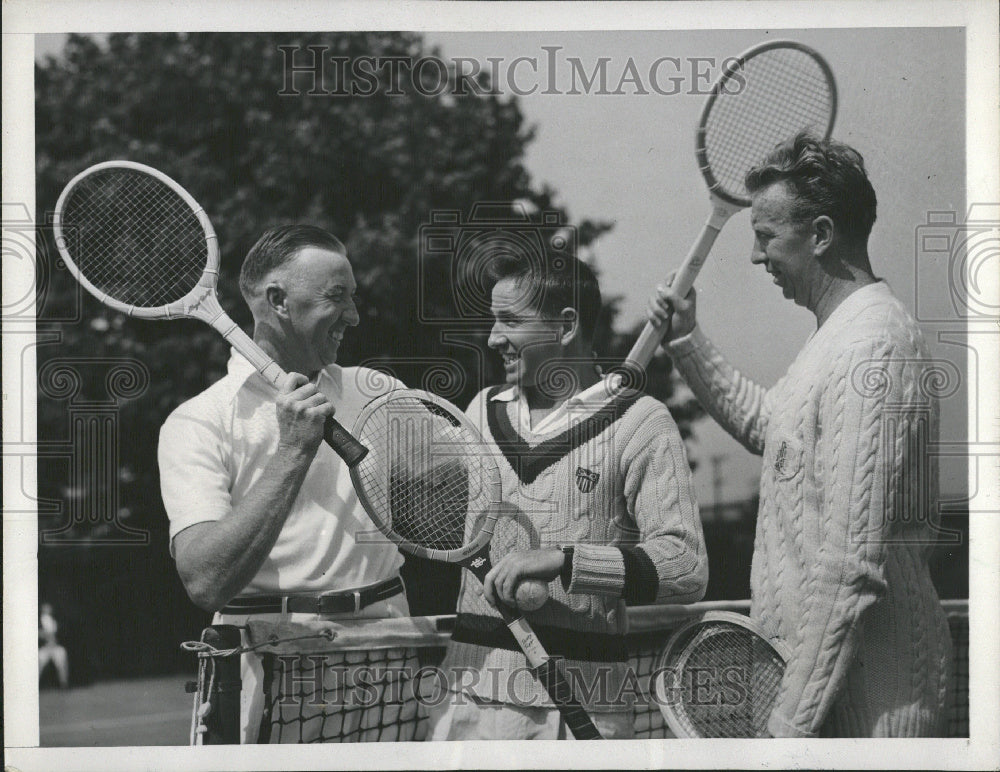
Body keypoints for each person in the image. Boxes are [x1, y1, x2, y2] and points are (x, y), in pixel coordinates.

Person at [648, 133, 952, 737]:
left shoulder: (873, 345)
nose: (757, 258)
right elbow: (773, 429)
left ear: (819, 234)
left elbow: (850, 567)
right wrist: (686, 339)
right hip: (820, 705)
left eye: (765, 236)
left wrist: (786, 725)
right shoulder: (838, 334)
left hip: (872, 713)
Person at [427, 252, 708, 740]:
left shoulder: (643, 421)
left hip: (583, 707)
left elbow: (686, 567)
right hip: (467, 694)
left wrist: (563, 561)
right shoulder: (480, 408)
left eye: (510, 320)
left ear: (566, 325)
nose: (494, 338)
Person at [159, 225, 411, 743]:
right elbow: (206, 580)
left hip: (393, 658)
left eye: (353, 298)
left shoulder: (381, 392)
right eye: (336, 297)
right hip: (263, 671)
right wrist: (294, 450)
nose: (354, 316)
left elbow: (460, 501)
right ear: (278, 300)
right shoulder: (198, 421)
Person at [38, 602, 70, 689]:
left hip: (55, 647)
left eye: (49, 607)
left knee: (62, 662)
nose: (48, 609)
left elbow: (59, 634)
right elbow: (38, 634)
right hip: (44, 647)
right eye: (46, 607)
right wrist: (44, 636)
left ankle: (64, 685)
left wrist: (53, 638)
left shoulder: (55, 620)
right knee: (38, 665)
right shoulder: (38, 621)